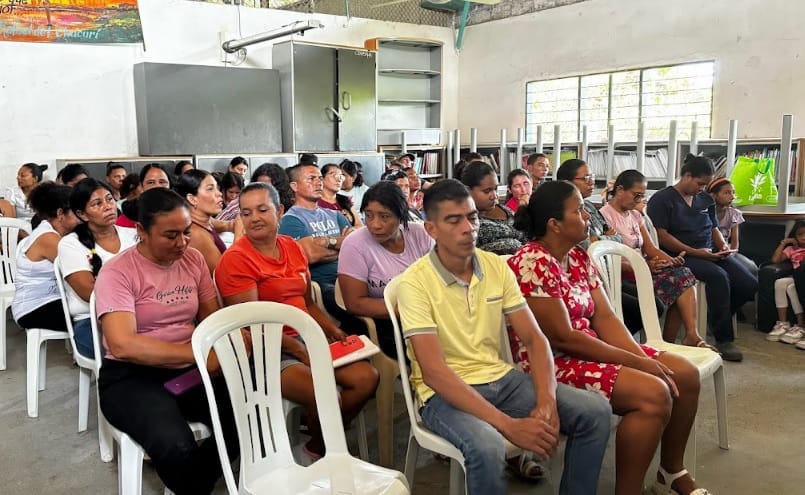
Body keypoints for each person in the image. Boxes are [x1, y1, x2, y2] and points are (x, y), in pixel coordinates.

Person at [396, 179, 611, 495]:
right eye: (453, 221)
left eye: (472, 217)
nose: (468, 228)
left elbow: (536, 340)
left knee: (595, 412)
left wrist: (547, 400)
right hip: (443, 395)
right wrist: (508, 425)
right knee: (487, 446)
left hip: (501, 379)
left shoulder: (497, 268)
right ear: (431, 229)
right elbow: (434, 373)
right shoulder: (414, 283)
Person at [509, 180, 708, 495]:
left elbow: (605, 317)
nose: (588, 217)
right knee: (653, 394)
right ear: (554, 225)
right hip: (551, 363)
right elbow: (565, 338)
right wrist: (636, 363)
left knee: (685, 374)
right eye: (578, 212)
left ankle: (670, 471)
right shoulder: (531, 262)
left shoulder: (578, 257)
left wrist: (642, 359)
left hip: (588, 351)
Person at [215, 182, 378, 460]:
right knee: (324, 392)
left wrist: (333, 331)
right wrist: (300, 350)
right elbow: (254, 326)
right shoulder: (237, 260)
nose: (254, 218)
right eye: (246, 212)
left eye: (262, 210)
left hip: (305, 339)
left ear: (279, 211)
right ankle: (324, 449)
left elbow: (308, 304)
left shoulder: (291, 247)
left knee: (366, 378)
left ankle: (317, 445)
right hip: (267, 351)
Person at [95, 188, 240, 494]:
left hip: (187, 368)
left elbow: (211, 317)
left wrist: (222, 347)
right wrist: (195, 354)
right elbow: (123, 344)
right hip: (131, 376)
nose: (183, 243)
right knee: (175, 444)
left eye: (187, 232)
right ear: (141, 231)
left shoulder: (193, 260)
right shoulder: (118, 272)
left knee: (246, 414)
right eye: (171, 235)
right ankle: (197, 485)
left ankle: (195, 482)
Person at [647, 155, 758, 362]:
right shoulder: (662, 199)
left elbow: (713, 227)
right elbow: (661, 235)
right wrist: (695, 252)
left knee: (748, 283)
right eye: (700, 183)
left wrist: (723, 246)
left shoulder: (705, 199)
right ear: (687, 176)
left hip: (710, 252)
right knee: (719, 278)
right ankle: (724, 339)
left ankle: (717, 316)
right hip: (680, 255)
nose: (702, 188)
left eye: (705, 185)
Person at [600, 170, 711, 350]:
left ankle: (683, 336)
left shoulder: (635, 215)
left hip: (644, 268)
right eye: (636, 195)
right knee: (680, 281)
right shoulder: (605, 216)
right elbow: (610, 258)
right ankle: (670, 340)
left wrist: (671, 260)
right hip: (624, 273)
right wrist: (644, 265)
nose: (639, 201)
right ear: (620, 190)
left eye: (642, 196)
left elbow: (651, 249)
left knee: (683, 276)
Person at [337, 181, 434, 359]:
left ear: (401, 214)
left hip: (424, 316)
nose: (375, 224)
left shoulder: (420, 234)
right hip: (381, 324)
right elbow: (355, 303)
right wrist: (404, 310)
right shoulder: (355, 245)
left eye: (384, 216)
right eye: (369, 215)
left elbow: (438, 280)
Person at [278, 163, 364, 334]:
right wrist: (341, 244)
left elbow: (356, 245)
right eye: (311, 178)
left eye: (319, 178)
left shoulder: (335, 214)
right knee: (359, 315)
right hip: (323, 283)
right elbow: (310, 255)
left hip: (351, 275)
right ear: (294, 186)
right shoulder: (291, 220)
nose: (318, 182)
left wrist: (326, 242)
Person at [58, 178, 137, 358]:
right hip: (91, 320)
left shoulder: (133, 236)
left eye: (109, 199)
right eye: (97, 203)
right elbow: (88, 292)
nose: (108, 206)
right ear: (82, 214)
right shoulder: (71, 244)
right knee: (131, 350)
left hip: (138, 312)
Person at [12, 182, 79, 333]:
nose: (82, 215)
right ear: (61, 214)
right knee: (93, 316)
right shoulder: (48, 238)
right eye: (76, 211)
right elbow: (80, 267)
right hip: (34, 308)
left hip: (51, 301)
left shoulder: (51, 230)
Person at [459, 161, 525, 255]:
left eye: (495, 189)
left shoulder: (504, 210)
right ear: (468, 191)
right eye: (487, 191)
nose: (494, 196)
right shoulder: (467, 223)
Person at [174, 169, 230, 274]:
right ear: (192, 199)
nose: (219, 194)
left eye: (217, 188)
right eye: (210, 189)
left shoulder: (204, 221)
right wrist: (239, 232)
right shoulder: (196, 234)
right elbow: (226, 277)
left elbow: (221, 224)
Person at [708, 177, 758, 279]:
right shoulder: (705, 213)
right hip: (710, 252)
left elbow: (735, 241)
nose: (732, 196)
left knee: (752, 267)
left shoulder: (733, 214)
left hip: (728, 252)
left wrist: (731, 254)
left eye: (733, 192)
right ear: (714, 195)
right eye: (727, 193)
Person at [768, 221, 805, 345]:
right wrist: (784, 243)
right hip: (796, 277)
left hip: (802, 279)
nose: (803, 237)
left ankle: (801, 325)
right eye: (800, 234)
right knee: (780, 283)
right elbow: (775, 260)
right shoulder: (792, 249)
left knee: (791, 287)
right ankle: (783, 323)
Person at [318, 163, 362, 227]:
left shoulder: (344, 200)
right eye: (334, 175)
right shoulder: (315, 203)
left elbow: (359, 225)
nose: (339, 180)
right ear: (322, 178)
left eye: (341, 176)